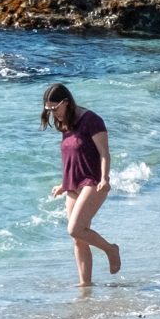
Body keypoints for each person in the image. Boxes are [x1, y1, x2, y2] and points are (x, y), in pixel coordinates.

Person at [42, 82, 121, 286]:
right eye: (49, 110)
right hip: (73, 184)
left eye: (55, 108)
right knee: (78, 238)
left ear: (66, 102)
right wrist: (63, 183)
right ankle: (86, 284)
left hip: (93, 181)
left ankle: (111, 249)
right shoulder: (64, 122)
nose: (53, 114)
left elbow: (104, 153)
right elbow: (73, 155)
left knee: (74, 229)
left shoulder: (92, 120)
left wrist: (105, 178)